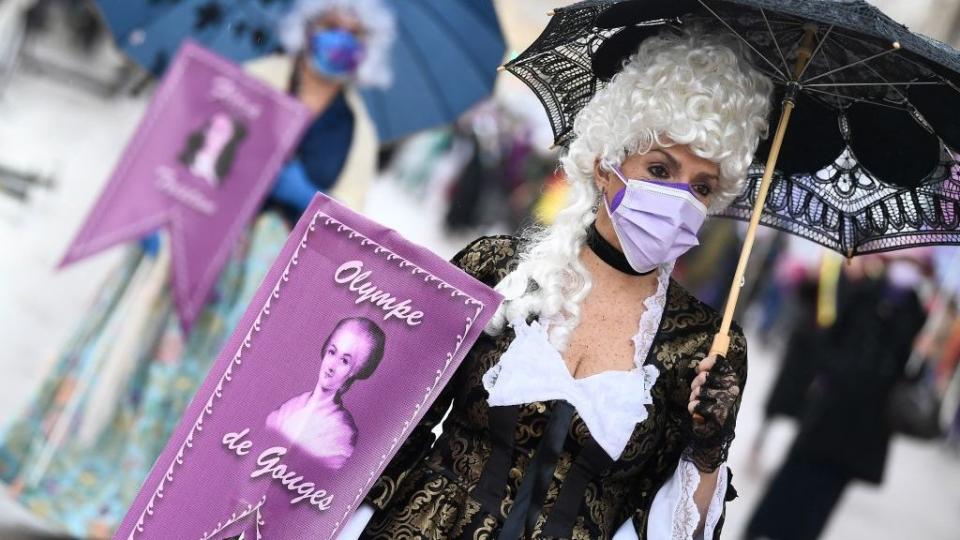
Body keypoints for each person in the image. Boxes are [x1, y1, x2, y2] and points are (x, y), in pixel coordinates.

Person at [336, 26, 773, 540]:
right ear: (605, 165)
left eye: (701, 186)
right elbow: (390, 426)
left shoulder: (705, 344)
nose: (680, 200)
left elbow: (678, 532)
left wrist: (707, 450)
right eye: (660, 168)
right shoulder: (497, 270)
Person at [0, 1, 393, 537]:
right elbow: (188, 148)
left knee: (194, 390)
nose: (341, 45)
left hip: (256, 282)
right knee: (129, 357)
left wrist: (305, 195)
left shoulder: (357, 130)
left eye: (355, 36)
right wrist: (160, 218)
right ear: (307, 31)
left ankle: (136, 504)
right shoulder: (257, 79)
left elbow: (348, 228)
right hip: (191, 246)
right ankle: (64, 476)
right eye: (332, 30)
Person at [745, 257, 928, 540]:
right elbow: (827, 337)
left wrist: (926, 353)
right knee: (795, 476)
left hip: (867, 421)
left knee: (826, 493)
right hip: (830, 406)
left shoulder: (918, 314)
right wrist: (839, 372)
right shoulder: (864, 291)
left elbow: (910, 374)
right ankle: (760, 530)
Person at [266, 317, 385, 469]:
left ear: (355, 372)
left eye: (344, 361)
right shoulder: (290, 406)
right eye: (332, 352)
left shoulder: (343, 433)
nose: (331, 366)